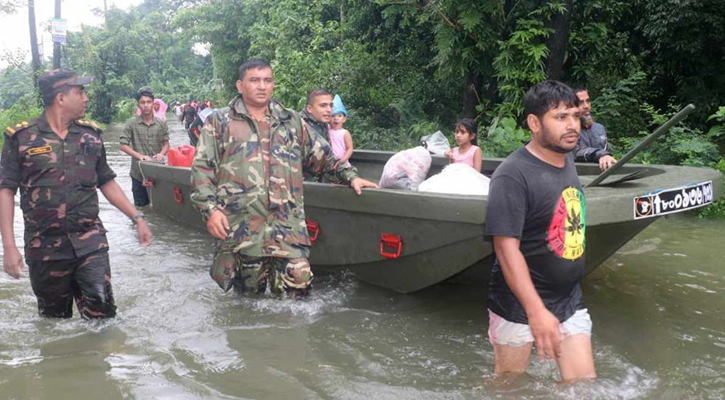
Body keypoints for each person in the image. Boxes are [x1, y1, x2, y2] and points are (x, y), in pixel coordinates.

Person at [190, 59, 377, 297]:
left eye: (267, 80)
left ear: (273, 85)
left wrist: (351, 177)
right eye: (254, 80)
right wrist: (210, 210)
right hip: (242, 231)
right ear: (240, 85)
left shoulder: (291, 121)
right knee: (247, 305)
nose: (261, 86)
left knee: (297, 300)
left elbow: (324, 157)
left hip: (288, 230)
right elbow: (202, 169)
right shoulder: (220, 122)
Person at [0, 69, 153, 319]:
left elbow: (106, 181)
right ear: (61, 98)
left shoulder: (90, 136)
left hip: (90, 242)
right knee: (53, 324)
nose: (85, 98)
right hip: (45, 249)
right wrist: (9, 246)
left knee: (103, 317)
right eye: (80, 92)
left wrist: (137, 217)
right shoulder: (21, 138)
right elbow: (5, 190)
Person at [484, 80, 595, 381]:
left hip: (568, 297)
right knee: (509, 386)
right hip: (519, 304)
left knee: (583, 387)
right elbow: (505, 250)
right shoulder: (512, 175)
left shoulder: (567, 157)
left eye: (574, 115)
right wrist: (535, 311)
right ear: (534, 123)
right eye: (560, 118)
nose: (572, 125)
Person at [120, 87, 170, 207]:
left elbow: (166, 144)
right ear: (138, 105)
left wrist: (162, 154)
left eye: (149, 102)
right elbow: (123, 145)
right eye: (142, 102)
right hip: (138, 173)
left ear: (153, 104)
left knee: (161, 207)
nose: (146, 105)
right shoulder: (131, 123)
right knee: (141, 208)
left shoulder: (161, 123)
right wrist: (140, 156)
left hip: (158, 172)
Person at [572, 87, 616, 171]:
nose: (586, 106)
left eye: (588, 101)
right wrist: (601, 154)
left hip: (603, 177)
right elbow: (575, 152)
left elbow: (607, 156)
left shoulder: (599, 129)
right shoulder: (567, 130)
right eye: (580, 103)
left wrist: (606, 157)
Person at [329, 94, 353, 169]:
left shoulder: (345, 133)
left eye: (339, 116)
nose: (336, 118)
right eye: (333, 116)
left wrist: (343, 160)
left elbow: (350, 148)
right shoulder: (327, 130)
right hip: (330, 163)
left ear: (344, 119)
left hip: (342, 164)